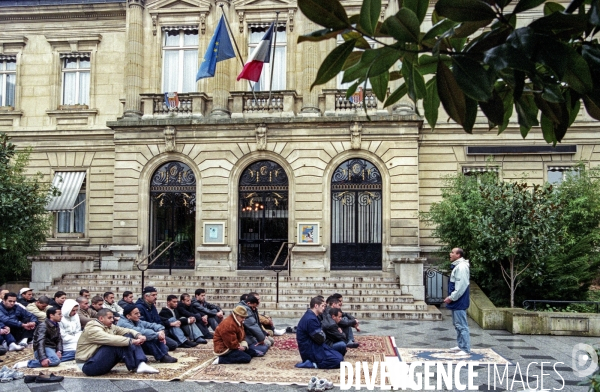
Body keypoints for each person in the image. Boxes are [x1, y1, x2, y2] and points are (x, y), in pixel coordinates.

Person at [76, 308, 159, 376]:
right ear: (101, 318)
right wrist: (132, 341)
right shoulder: (92, 329)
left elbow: (125, 330)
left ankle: (140, 364)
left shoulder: (108, 325)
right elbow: (110, 339)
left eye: (112, 317)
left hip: (96, 359)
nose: (112, 320)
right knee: (116, 344)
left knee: (128, 335)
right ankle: (139, 365)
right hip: (88, 366)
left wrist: (138, 335)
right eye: (109, 318)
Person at [295, 297, 343, 369]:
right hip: (311, 349)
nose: (324, 308)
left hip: (315, 346)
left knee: (340, 356)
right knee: (338, 361)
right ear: (316, 306)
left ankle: (314, 362)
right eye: (322, 306)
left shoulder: (312, 316)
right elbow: (320, 338)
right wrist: (323, 333)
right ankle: (313, 364)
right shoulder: (311, 319)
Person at [444, 247, 471, 357]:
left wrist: (451, 297)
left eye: (452, 252)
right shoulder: (458, 266)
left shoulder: (461, 267)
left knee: (461, 325)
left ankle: (465, 348)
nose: (450, 254)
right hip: (457, 300)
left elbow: (461, 286)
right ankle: (460, 345)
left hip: (459, 300)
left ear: (458, 255)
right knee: (457, 324)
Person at [135, 286, 178, 350]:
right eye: (153, 295)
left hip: (156, 331)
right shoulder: (139, 307)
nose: (155, 297)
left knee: (174, 345)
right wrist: (156, 333)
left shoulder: (152, 306)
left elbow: (158, 320)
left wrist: (161, 330)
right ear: (146, 296)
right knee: (165, 348)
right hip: (147, 334)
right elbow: (142, 325)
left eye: (156, 295)